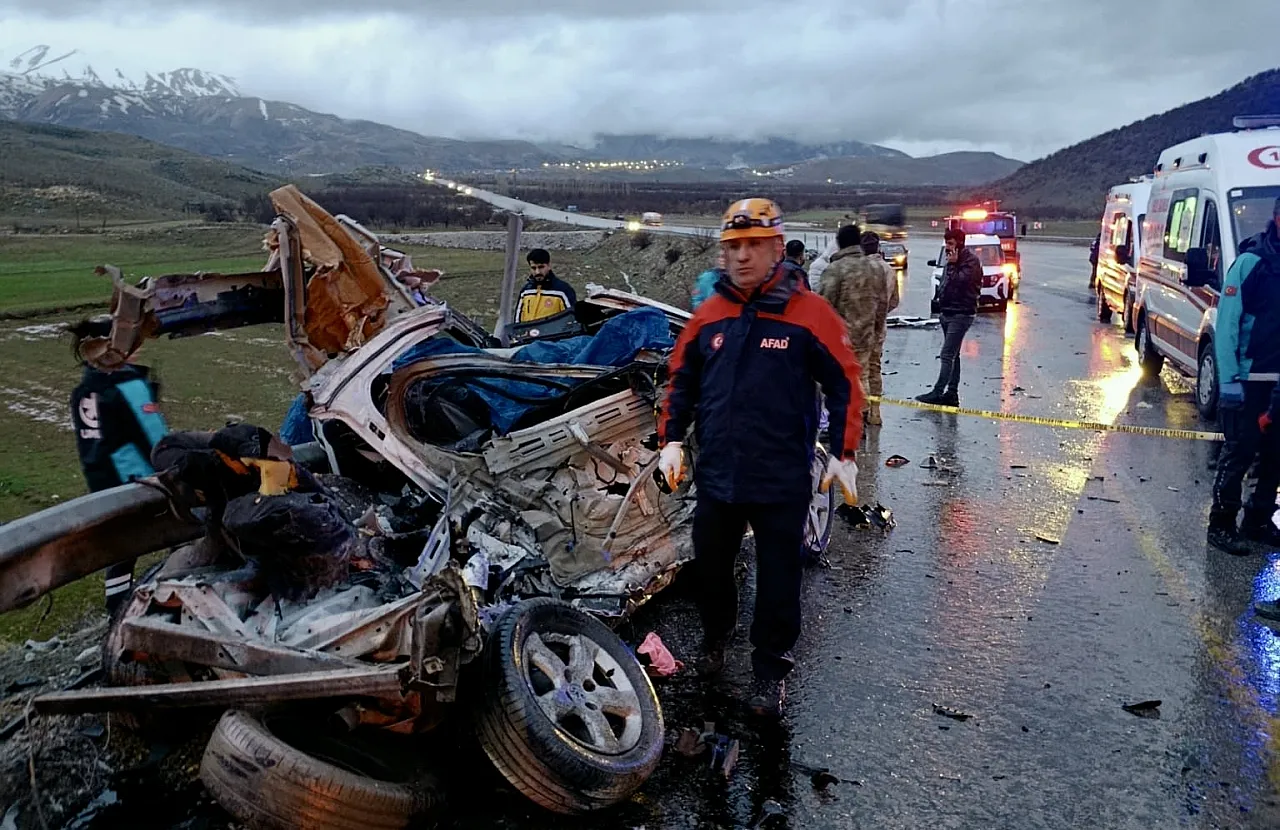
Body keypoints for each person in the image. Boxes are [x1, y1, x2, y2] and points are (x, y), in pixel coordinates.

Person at [656, 197, 863, 718]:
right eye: (733, 247)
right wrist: (673, 440)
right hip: (719, 478)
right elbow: (681, 381)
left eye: (755, 246)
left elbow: (845, 383)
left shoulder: (809, 314)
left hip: (781, 481)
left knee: (778, 581)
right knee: (710, 571)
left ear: (777, 248)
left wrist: (843, 452)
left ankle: (770, 672)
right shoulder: (709, 315)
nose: (743, 257)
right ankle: (714, 639)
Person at [68, 318, 170, 614]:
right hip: (137, 481)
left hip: (101, 482)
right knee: (189, 528)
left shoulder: (84, 390)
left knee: (121, 552)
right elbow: (157, 439)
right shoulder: (127, 385)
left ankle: (116, 609)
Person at [1208, 197, 1280, 555]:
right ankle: (1221, 524)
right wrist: (1230, 381)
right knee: (1239, 453)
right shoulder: (1251, 263)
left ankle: (1257, 520)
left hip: (1278, 385)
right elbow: (1227, 326)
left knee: (1274, 457)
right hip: (1248, 381)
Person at [819, 223, 885, 429]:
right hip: (867, 334)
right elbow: (883, 303)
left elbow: (824, 304)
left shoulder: (835, 269)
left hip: (839, 338)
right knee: (862, 376)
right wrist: (877, 330)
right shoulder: (876, 268)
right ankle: (861, 421)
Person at [915, 228, 982, 406]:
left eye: (951, 244)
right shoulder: (949, 261)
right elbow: (945, 283)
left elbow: (961, 282)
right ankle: (952, 393)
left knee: (946, 354)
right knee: (954, 355)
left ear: (960, 244)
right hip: (948, 312)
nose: (947, 248)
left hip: (961, 314)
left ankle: (938, 392)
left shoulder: (971, 262)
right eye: (946, 244)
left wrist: (952, 264)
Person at [861, 231, 900, 425]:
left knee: (860, 370)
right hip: (879, 327)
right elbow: (895, 301)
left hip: (859, 326)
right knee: (875, 367)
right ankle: (875, 412)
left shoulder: (860, 269)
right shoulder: (889, 270)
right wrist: (882, 314)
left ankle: (862, 410)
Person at [515, 248, 577, 323]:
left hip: (554, 334)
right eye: (533, 268)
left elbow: (572, 321)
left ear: (549, 266)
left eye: (541, 267)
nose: (537, 272)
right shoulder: (525, 292)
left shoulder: (563, 291)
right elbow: (517, 323)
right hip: (529, 334)